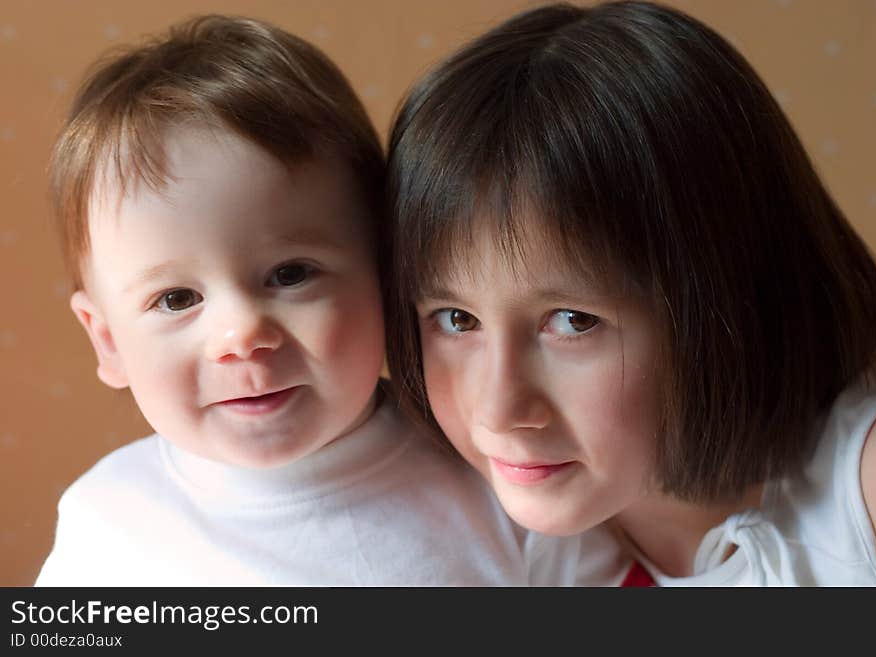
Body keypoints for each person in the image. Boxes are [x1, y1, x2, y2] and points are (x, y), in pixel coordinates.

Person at [36, 14, 626, 586]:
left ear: (384, 272)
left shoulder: (503, 475)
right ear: (107, 339)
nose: (242, 333)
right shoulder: (108, 523)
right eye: (175, 298)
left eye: (291, 274)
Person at [383, 0, 876, 585]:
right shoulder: (488, 531)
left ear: (731, 298)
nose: (499, 411)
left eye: (573, 321)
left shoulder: (861, 498)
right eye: (458, 319)